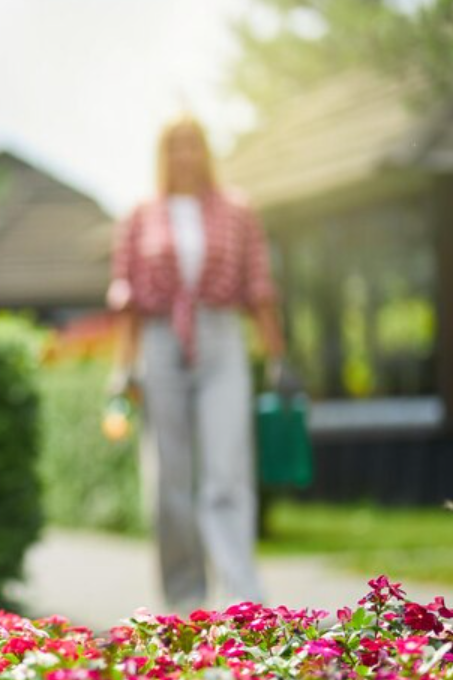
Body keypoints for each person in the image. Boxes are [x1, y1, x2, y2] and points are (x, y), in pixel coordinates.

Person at [106, 115, 289, 613]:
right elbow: (127, 303)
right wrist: (122, 370)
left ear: (207, 151)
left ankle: (243, 601)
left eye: (194, 144)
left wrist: (277, 357)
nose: (185, 154)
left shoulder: (237, 210)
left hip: (222, 337)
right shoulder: (140, 215)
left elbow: (259, 288)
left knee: (226, 470)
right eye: (175, 146)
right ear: (162, 155)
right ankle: (185, 600)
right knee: (169, 475)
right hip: (161, 341)